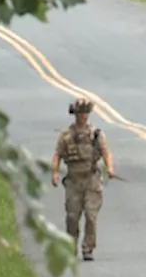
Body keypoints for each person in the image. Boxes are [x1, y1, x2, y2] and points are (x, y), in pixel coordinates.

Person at [50, 97, 116, 261]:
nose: (83, 116)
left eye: (86, 112)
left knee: (91, 215)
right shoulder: (66, 135)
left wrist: (109, 168)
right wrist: (55, 173)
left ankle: (88, 248)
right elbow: (57, 154)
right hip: (73, 180)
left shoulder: (96, 134)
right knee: (72, 216)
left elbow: (106, 152)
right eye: (80, 113)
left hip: (91, 179)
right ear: (75, 114)